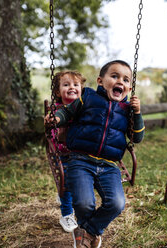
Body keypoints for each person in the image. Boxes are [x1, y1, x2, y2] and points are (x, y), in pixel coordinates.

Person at [45, 60, 145, 248]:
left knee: (116, 203)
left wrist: (137, 113)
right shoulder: (87, 97)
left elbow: (137, 137)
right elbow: (67, 112)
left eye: (125, 79)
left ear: (129, 87)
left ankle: (89, 232)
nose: (120, 82)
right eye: (114, 76)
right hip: (80, 161)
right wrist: (56, 119)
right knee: (83, 203)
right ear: (100, 81)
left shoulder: (128, 110)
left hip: (109, 165)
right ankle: (87, 235)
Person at [50, 70, 86, 233]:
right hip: (64, 153)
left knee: (82, 183)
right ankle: (66, 214)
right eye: (66, 85)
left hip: (82, 153)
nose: (72, 87)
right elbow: (51, 135)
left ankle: (66, 197)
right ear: (58, 92)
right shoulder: (55, 110)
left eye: (76, 84)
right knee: (67, 184)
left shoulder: (84, 109)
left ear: (81, 89)